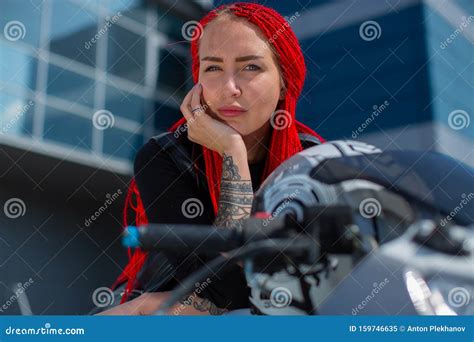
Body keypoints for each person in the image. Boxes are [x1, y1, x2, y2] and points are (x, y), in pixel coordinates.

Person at [98, 2, 325, 316]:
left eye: (251, 67)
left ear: (285, 79)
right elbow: (223, 289)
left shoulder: (314, 163)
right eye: (213, 68)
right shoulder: (165, 157)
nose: (229, 88)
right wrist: (233, 152)